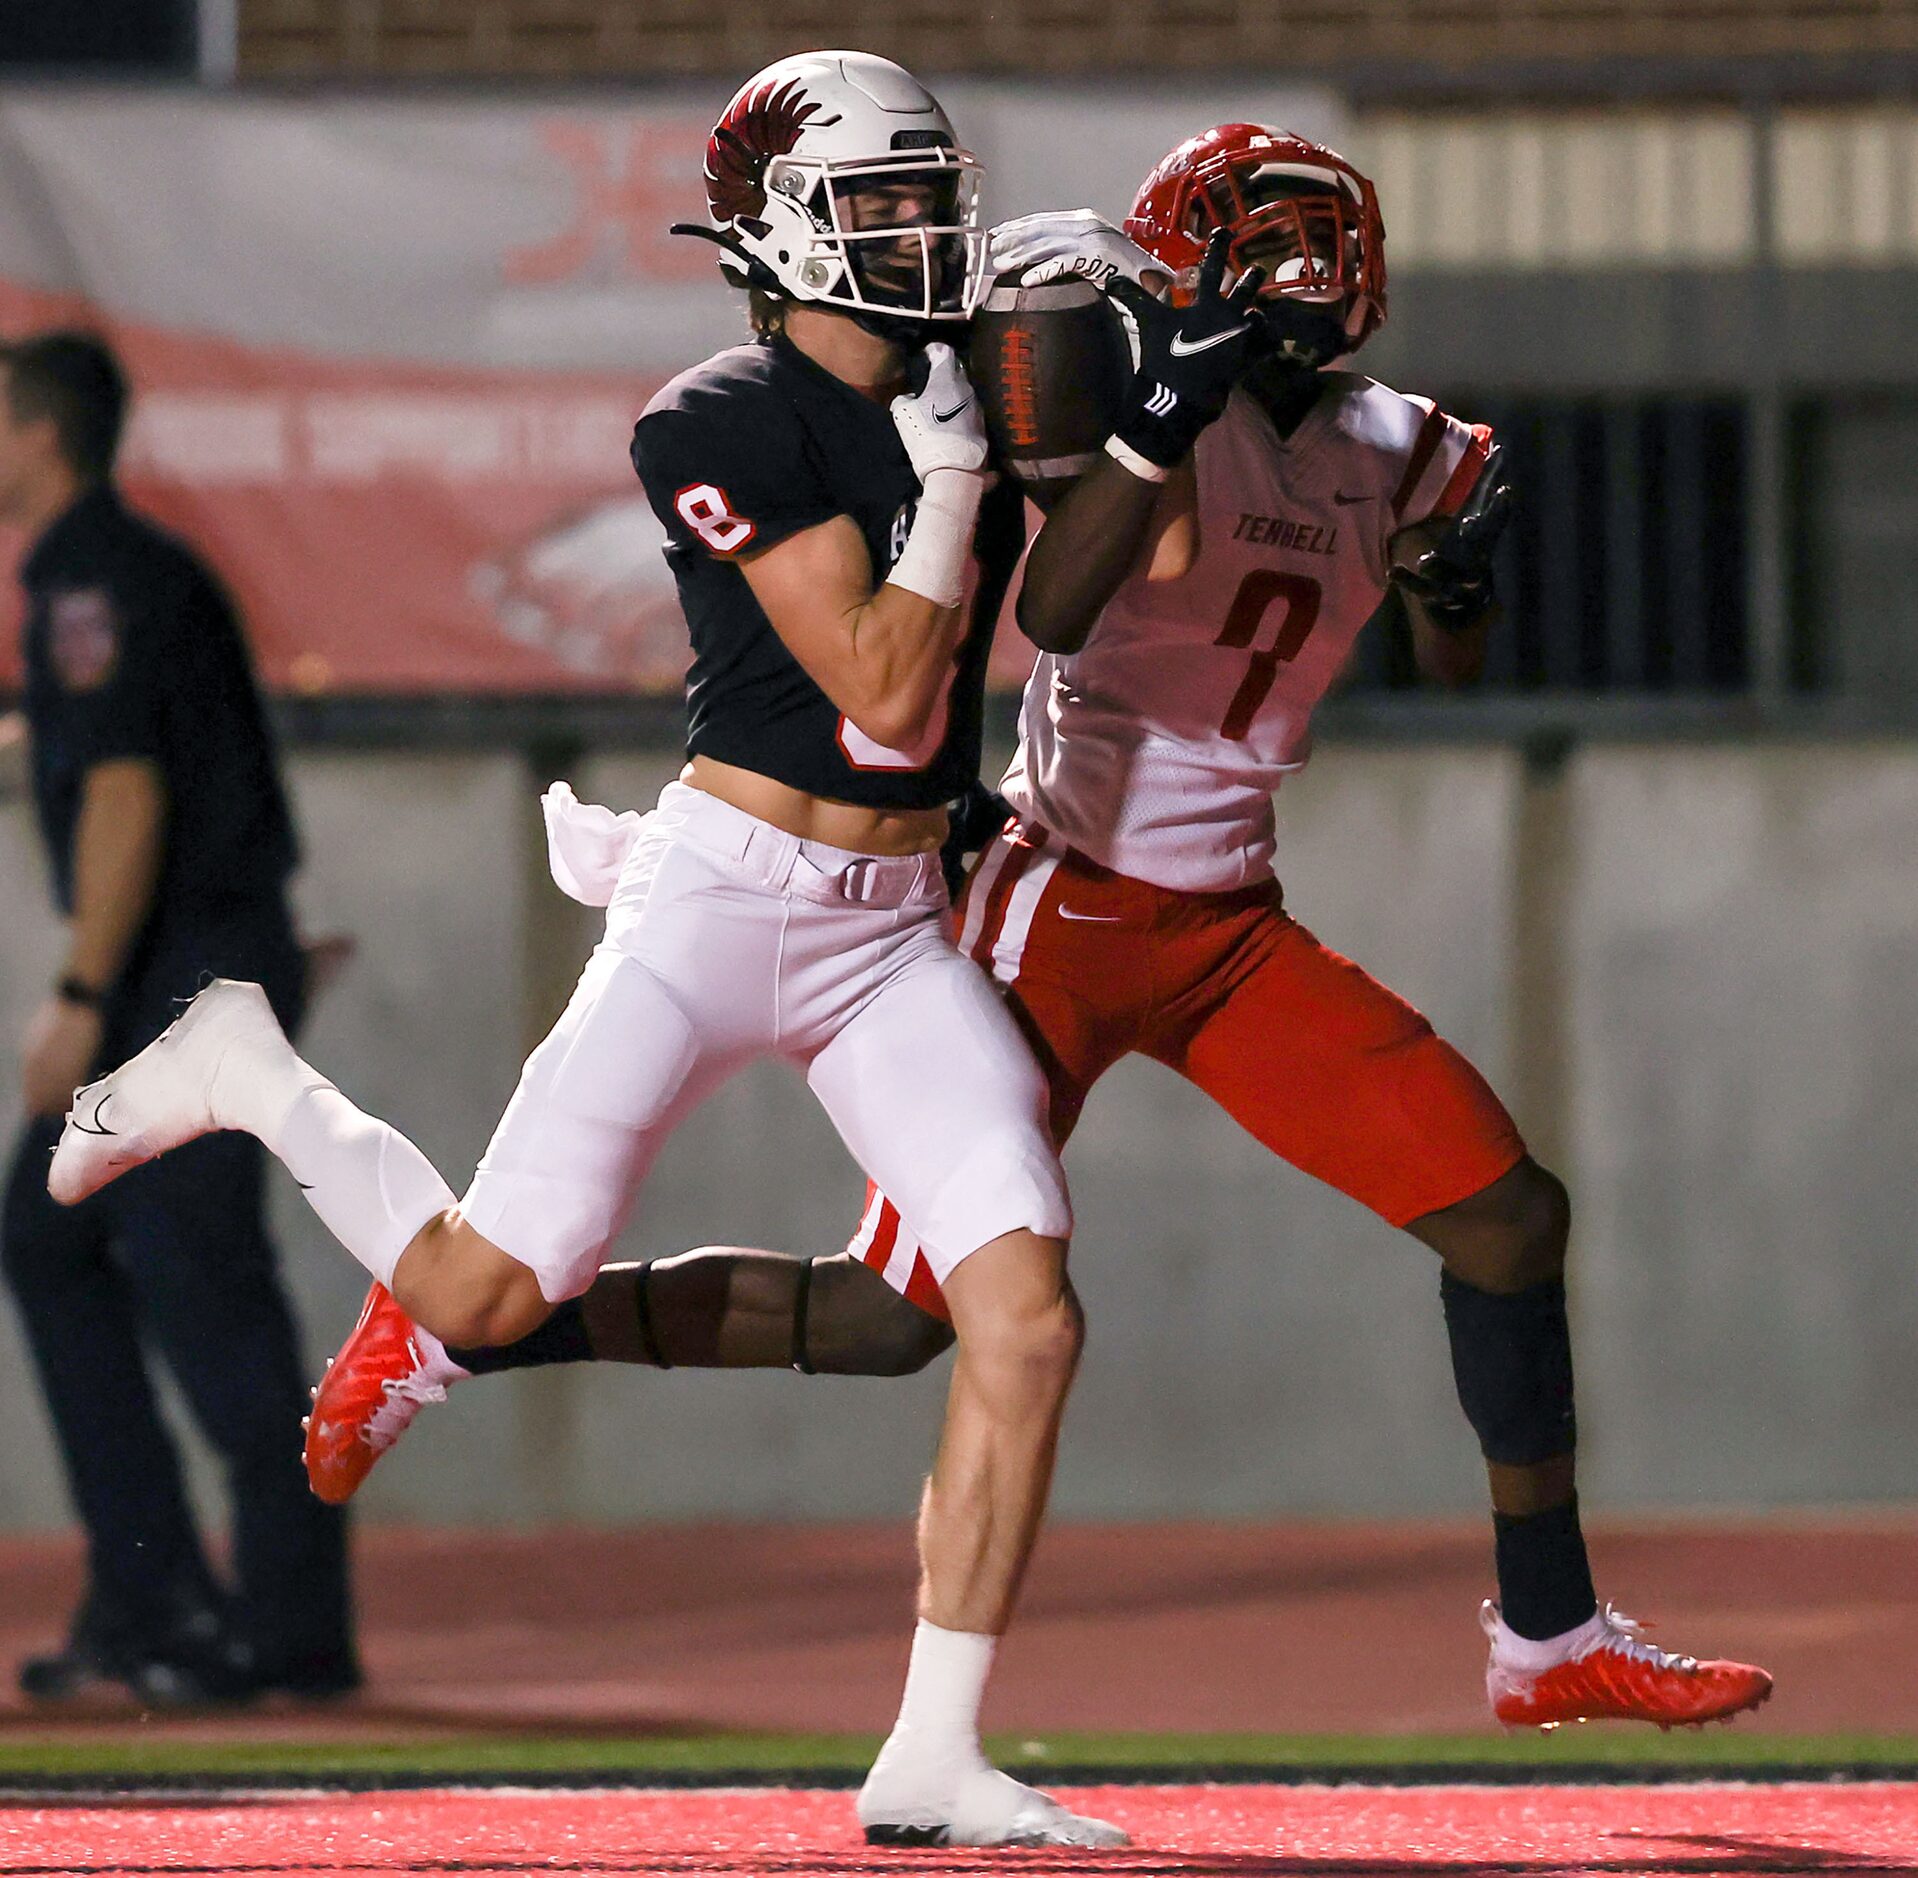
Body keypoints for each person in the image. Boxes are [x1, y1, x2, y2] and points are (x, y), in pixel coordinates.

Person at [305, 124, 1776, 1736]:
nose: (1291, 275)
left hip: (1227, 922)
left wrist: (1455, 588)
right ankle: (469, 1330)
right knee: (891, 1325)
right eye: (1258, 242)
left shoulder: (1410, 442)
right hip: (1052, 898)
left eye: (1307, 240)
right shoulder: (1113, 376)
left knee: (1507, 1217)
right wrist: (1157, 410)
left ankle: (1546, 1633)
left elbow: (1448, 665)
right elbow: (1056, 610)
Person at [47, 53, 1125, 1850]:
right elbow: (871, 676)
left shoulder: (970, 383)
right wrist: (950, 494)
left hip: (888, 936)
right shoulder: (712, 412)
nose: (925, 229)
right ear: (780, 234)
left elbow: (1092, 594)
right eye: (876, 201)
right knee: (482, 1295)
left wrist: (1146, 398)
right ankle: (243, 1069)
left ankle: (931, 1748)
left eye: (931, 191)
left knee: (1023, 1314)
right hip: (717, 900)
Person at [0, 331, 356, 1703]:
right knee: (59, 1238)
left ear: (39, 434)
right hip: (212, 964)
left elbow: (130, 794)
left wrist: (79, 995)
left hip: (174, 986)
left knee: (195, 1276)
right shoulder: (125, 572)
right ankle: (163, 1593)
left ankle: (266, 1624)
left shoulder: (91, 576)